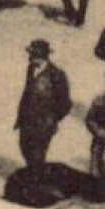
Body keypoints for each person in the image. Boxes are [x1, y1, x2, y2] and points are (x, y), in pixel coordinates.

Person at [15, 39, 72, 167]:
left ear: (42, 57)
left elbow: (66, 103)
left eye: (33, 55)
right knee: (25, 149)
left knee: (37, 155)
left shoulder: (57, 75)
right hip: (27, 121)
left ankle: (34, 182)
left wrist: (53, 118)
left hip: (44, 125)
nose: (29, 58)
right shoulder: (30, 69)